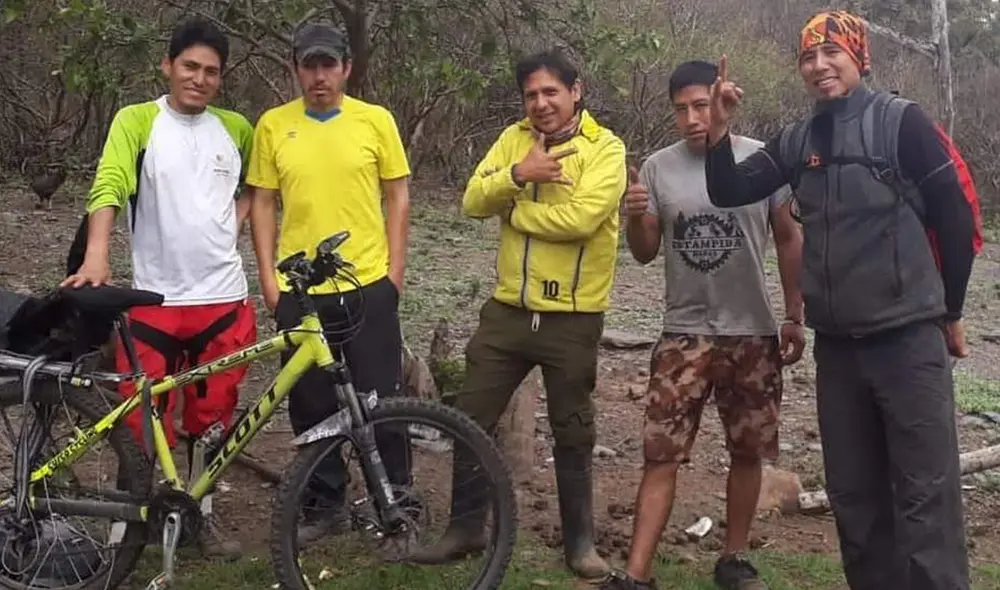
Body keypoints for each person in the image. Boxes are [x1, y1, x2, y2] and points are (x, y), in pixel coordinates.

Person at [702, 10, 975, 590]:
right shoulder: (800, 139)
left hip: (907, 339)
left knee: (926, 492)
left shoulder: (901, 122)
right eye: (808, 56)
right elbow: (728, 190)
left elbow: (953, 214)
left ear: (860, 58)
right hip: (840, 352)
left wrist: (950, 311)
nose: (820, 66)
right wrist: (721, 130)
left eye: (833, 54)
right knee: (855, 495)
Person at [408, 48, 627, 581]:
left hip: (572, 316)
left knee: (572, 428)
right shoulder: (513, 139)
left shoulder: (607, 148)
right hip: (508, 311)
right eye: (531, 94)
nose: (541, 103)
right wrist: (517, 174)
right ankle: (465, 529)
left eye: (551, 91)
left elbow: (580, 220)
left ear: (576, 91)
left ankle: (579, 542)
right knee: (469, 417)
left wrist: (516, 207)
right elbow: (472, 200)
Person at [599, 60, 806, 590]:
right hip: (683, 333)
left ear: (721, 103)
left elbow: (788, 239)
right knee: (660, 453)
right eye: (682, 109)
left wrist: (793, 315)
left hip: (751, 332)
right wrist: (636, 216)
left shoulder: (761, 160)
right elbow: (645, 253)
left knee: (747, 451)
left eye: (702, 105)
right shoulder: (658, 169)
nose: (694, 118)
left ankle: (733, 560)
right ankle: (637, 574)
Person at [62, 18, 256, 560]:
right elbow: (110, 183)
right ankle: (134, 519)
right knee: (142, 417)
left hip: (223, 300)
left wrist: (229, 225)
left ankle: (200, 514)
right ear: (168, 65)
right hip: (155, 302)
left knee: (213, 418)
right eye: (189, 66)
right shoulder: (137, 121)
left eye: (211, 71)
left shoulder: (237, 128)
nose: (199, 78)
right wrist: (99, 253)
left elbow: (257, 190)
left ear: (222, 78)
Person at [246, 22, 412, 545]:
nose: (319, 77)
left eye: (329, 65)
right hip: (300, 291)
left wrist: (394, 275)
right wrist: (269, 282)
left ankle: (398, 501)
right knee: (312, 404)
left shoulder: (375, 121)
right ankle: (324, 503)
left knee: (383, 399)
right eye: (309, 66)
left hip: (366, 283)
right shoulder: (273, 126)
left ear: (346, 67)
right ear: (295, 67)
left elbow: (399, 195)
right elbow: (263, 204)